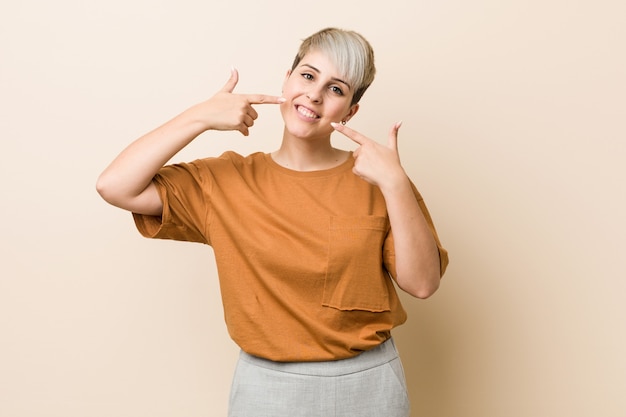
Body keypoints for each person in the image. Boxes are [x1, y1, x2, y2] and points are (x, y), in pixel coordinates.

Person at [96, 27, 448, 417]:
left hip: (368, 385)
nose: (314, 94)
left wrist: (396, 183)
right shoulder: (225, 180)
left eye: (336, 89)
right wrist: (199, 117)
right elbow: (115, 186)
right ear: (288, 78)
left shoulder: (379, 178)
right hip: (267, 389)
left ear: (350, 111)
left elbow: (422, 283)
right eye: (309, 76)